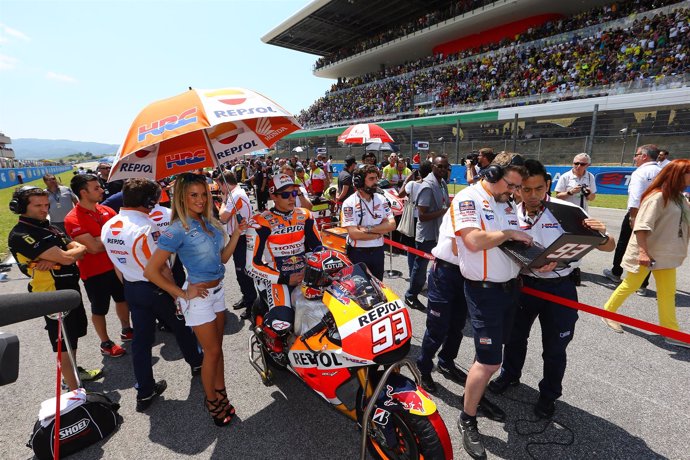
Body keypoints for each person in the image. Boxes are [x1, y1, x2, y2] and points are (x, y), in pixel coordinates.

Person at [488, 160, 615, 419]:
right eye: (525, 189)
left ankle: (549, 394)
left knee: (555, 348)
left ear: (548, 184)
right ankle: (510, 375)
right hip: (524, 286)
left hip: (560, 288)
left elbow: (608, 246)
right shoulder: (508, 211)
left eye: (538, 189)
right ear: (516, 188)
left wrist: (603, 235)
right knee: (514, 338)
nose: (532, 196)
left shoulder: (568, 209)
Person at [453, 153, 541, 459]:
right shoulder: (468, 199)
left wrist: (536, 260)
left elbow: (510, 246)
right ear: (491, 173)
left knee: (490, 357)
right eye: (512, 185)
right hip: (484, 292)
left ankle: (474, 397)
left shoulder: (504, 202)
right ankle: (467, 418)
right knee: (490, 362)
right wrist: (508, 233)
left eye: (518, 187)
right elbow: (474, 241)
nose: (515, 192)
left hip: (510, 288)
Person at [144, 173, 244, 426]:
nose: (200, 200)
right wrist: (181, 293)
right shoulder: (177, 229)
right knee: (210, 353)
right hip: (198, 298)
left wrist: (236, 234)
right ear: (182, 198)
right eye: (193, 195)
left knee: (217, 350)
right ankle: (211, 401)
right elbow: (151, 271)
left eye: (203, 194)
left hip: (218, 291)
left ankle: (220, 391)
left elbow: (222, 260)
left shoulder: (209, 222)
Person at [101, 179, 203, 411]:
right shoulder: (146, 227)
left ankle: (144, 391)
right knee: (182, 326)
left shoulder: (109, 225)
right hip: (156, 288)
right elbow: (161, 268)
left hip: (131, 287)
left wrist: (131, 285)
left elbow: (117, 265)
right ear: (149, 201)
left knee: (141, 342)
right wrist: (177, 293)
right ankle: (197, 363)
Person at [8, 186, 101, 391]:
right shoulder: (21, 234)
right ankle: (74, 390)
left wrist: (68, 253)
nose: (45, 209)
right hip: (51, 295)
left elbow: (80, 250)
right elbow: (68, 257)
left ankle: (73, 373)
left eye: (46, 204)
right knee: (62, 344)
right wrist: (67, 254)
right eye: (38, 205)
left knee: (73, 336)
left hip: (69, 290)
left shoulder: (49, 227)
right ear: (21, 207)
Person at [602, 159, 690, 348]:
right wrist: (643, 253)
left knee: (667, 293)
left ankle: (670, 332)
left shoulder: (679, 198)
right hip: (648, 254)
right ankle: (608, 312)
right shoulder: (658, 197)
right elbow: (641, 227)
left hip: (666, 255)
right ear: (678, 174)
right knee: (630, 285)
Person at [245, 174, 322, 361]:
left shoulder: (305, 215)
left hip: (305, 274)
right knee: (282, 322)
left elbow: (318, 248)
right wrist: (283, 279)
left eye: (295, 192)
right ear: (273, 196)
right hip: (276, 279)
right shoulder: (259, 222)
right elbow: (250, 266)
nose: (292, 198)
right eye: (286, 194)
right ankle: (273, 345)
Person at [64, 174, 131, 358]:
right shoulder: (72, 219)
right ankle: (105, 342)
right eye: (96, 188)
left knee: (122, 299)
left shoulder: (107, 210)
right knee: (99, 308)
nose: (102, 190)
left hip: (116, 266)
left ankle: (126, 329)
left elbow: (124, 235)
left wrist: (100, 239)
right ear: (83, 192)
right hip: (94, 273)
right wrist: (110, 238)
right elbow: (93, 248)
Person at [603, 145, 661, 296]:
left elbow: (635, 198)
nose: (634, 158)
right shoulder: (664, 171)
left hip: (639, 213)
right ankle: (642, 284)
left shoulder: (640, 172)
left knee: (624, 244)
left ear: (644, 156)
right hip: (658, 215)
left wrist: (632, 217)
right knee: (649, 248)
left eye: (636, 155)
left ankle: (616, 273)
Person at [404, 155, 449, 311]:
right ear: (433, 167)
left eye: (445, 166)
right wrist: (443, 212)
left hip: (440, 231)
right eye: (439, 166)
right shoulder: (427, 186)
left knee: (439, 265)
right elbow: (422, 216)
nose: (443, 169)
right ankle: (411, 295)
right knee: (420, 267)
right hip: (427, 234)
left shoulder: (442, 183)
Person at [340, 165, 396, 280]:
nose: (376, 182)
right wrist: (379, 232)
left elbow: (392, 225)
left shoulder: (381, 199)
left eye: (376, 178)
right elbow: (354, 234)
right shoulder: (349, 203)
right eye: (371, 179)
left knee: (378, 287)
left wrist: (368, 229)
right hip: (358, 253)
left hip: (378, 252)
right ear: (360, 182)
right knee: (359, 290)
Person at [218, 171, 257, 320]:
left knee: (243, 273)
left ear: (225, 184)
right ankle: (247, 297)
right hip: (238, 236)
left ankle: (251, 304)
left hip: (242, 237)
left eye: (220, 186)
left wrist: (222, 201)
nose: (220, 189)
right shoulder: (236, 193)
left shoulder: (235, 196)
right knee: (240, 271)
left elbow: (223, 217)